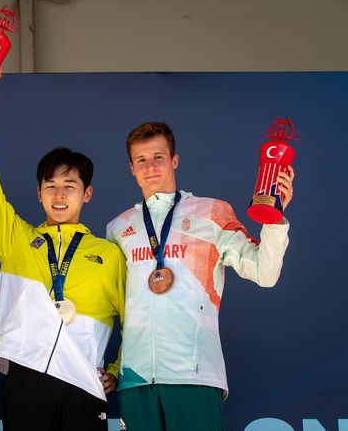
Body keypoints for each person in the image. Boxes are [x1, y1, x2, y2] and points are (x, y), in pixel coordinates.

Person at [0, 71, 126, 431]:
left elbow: (137, 321)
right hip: (26, 378)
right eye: (50, 185)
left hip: (84, 383)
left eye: (70, 185)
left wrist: (117, 370)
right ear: (39, 193)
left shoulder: (109, 255)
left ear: (87, 194)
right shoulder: (16, 240)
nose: (59, 194)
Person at [106, 121, 295, 430]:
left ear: (174, 160)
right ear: (131, 168)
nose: (150, 166)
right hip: (135, 380)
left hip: (195, 376)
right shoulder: (118, 227)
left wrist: (274, 219)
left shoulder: (211, 213)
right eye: (141, 160)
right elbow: (114, 306)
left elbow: (265, 273)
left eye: (158, 157)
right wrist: (115, 368)